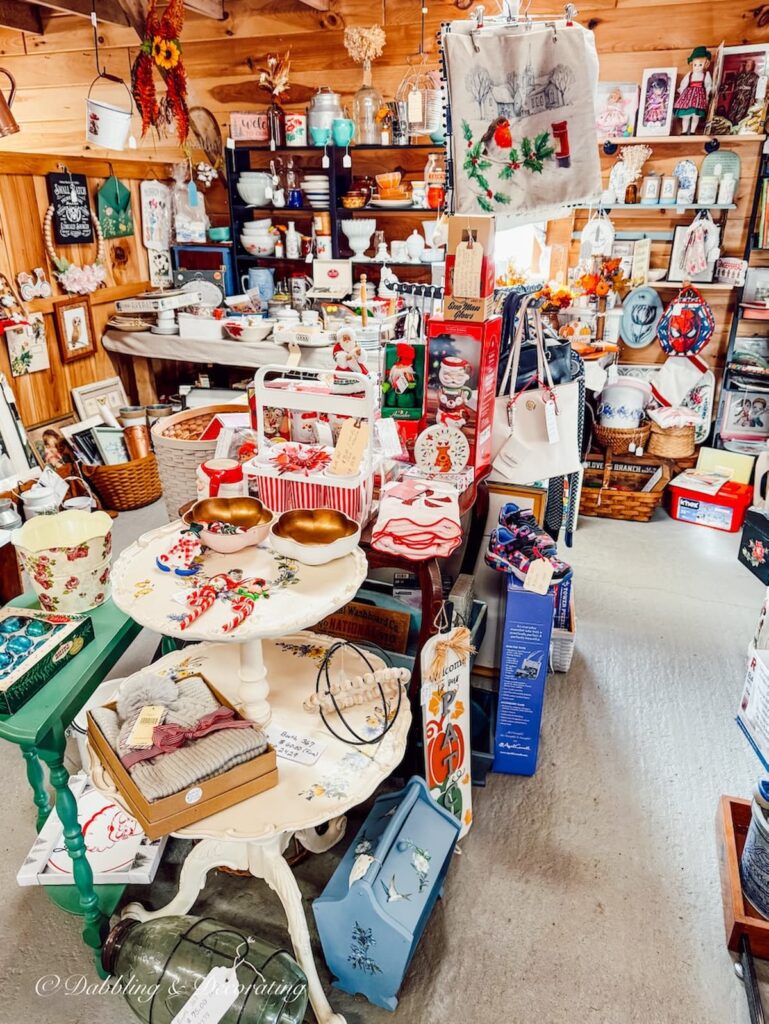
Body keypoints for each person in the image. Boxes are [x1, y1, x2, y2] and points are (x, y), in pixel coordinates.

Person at [674, 47, 713, 134]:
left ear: (705, 64)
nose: (697, 67)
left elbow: (708, 86)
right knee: (686, 115)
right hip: (688, 97)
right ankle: (684, 131)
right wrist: (682, 93)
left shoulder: (706, 75)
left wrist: (706, 96)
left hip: (699, 98)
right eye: (695, 65)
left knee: (696, 116)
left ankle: (692, 131)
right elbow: (684, 84)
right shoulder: (690, 74)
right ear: (692, 64)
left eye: (700, 65)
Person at [728, 58, 759, 127]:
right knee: (732, 112)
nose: (747, 66)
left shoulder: (755, 77)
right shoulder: (739, 75)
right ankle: (729, 126)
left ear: (752, 66)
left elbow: (754, 88)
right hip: (736, 97)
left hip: (746, 98)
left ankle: (737, 127)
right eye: (747, 64)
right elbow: (732, 81)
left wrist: (752, 98)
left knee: (741, 114)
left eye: (749, 64)